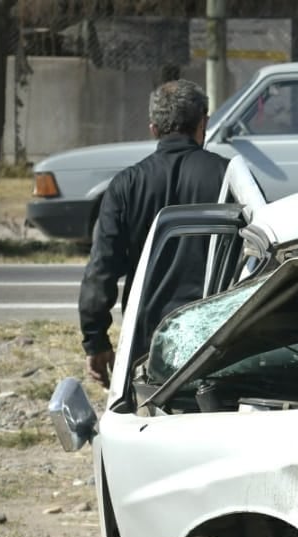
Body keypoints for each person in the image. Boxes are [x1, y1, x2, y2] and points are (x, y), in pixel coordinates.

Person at [79, 79, 228, 388]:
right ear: (203, 122)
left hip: (147, 338)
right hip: (220, 334)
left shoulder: (125, 185)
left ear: (153, 129)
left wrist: (96, 341)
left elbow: (101, 270)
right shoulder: (230, 177)